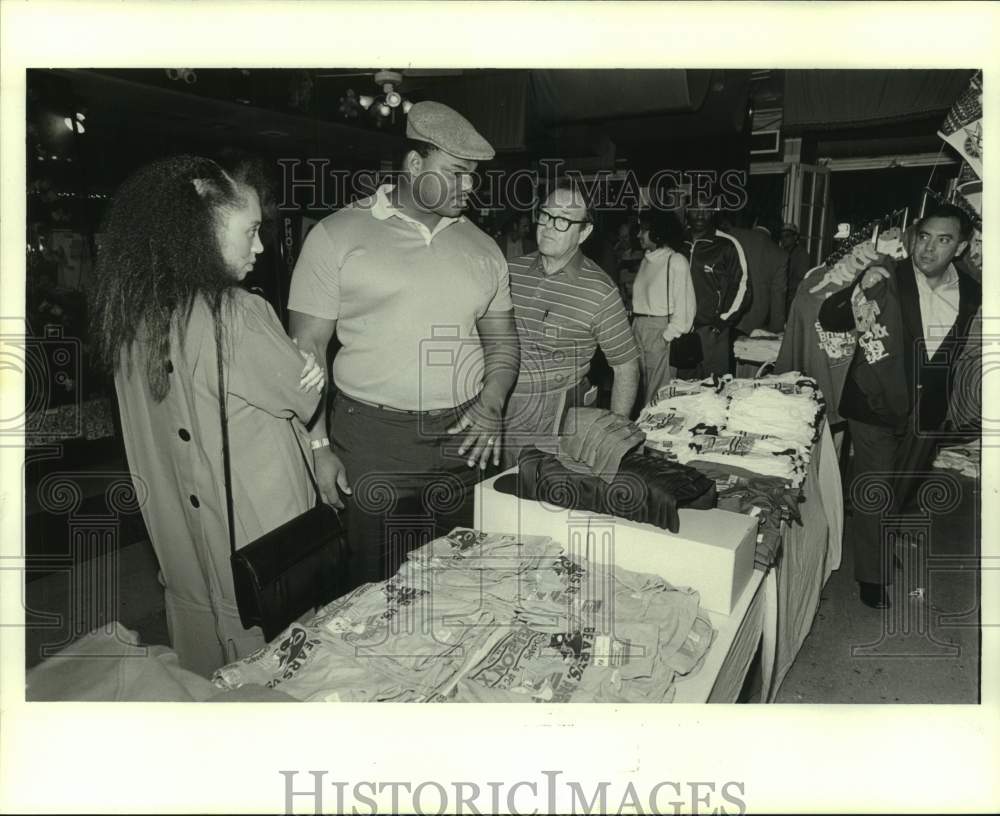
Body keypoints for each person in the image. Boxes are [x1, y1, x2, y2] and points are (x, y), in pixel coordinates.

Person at [90, 155, 326, 676]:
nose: (260, 248)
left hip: (182, 548)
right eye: (252, 230)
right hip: (259, 540)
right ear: (202, 230)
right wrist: (310, 366)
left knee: (205, 680)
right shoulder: (237, 315)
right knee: (277, 674)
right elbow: (302, 396)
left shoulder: (129, 317)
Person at [288, 101, 519, 585]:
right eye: (456, 172)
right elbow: (305, 351)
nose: (470, 186)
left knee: (460, 581)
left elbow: (503, 343)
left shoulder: (484, 248)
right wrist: (318, 445)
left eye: (473, 175)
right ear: (414, 166)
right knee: (377, 588)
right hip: (374, 441)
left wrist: (493, 402)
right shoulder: (337, 235)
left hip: (465, 440)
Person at [816, 202, 981, 609]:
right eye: (923, 237)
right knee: (875, 488)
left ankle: (877, 541)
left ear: (960, 248)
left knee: (899, 488)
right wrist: (857, 284)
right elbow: (832, 318)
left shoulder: (974, 291)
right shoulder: (888, 273)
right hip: (874, 401)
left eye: (943, 241)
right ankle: (871, 577)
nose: (929, 249)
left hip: (927, 411)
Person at [504, 184, 639, 463]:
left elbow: (626, 367)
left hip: (554, 412)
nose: (549, 226)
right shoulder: (510, 270)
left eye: (563, 219)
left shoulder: (600, 291)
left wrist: (611, 438)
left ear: (584, 232)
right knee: (495, 496)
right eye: (545, 214)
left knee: (537, 495)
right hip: (497, 402)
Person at [631, 208, 696, 404]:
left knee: (657, 396)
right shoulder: (646, 260)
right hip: (638, 329)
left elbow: (686, 309)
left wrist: (666, 337)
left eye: (643, 230)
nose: (638, 235)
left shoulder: (675, 261)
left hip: (659, 332)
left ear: (658, 231)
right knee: (641, 391)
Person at [679, 204, 750, 379]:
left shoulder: (726, 244)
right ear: (687, 211)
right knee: (680, 391)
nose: (700, 214)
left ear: (713, 212)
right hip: (680, 330)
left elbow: (743, 285)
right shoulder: (677, 242)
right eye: (695, 208)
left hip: (711, 330)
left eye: (706, 209)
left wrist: (721, 321)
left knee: (713, 391)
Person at [727, 211, 789, 335]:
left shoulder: (735, 234)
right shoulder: (781, 255)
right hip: (755, 319)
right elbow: (778, 296)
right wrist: (777, 330)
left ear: (756, 222)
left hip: (728, 311)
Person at [780, 222, 812, 315]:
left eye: (787, 236)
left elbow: (801, 279)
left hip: (793, 297)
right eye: (782, 237)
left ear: (795, 237)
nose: (783, 239)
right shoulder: (781, 252)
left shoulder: (801, 254)